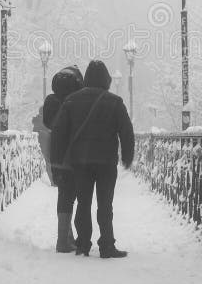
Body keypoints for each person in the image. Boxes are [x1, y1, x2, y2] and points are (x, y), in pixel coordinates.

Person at [50, 59, 134, 258]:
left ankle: (83, 244)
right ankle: (106, 245)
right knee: (105, 204)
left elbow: (59, 132)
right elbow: (126, 131)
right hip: (106, 163)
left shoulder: (71, 101)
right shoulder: (115, 102)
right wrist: (127, 156)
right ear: (106, 79)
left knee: (83, 203)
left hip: (81, 162)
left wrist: (57, 160)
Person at [42, 65, 83, 253]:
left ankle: (66, 237)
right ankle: (64, 240)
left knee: (64, 194)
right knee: (73, 195)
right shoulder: (78, 99)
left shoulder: (51, 100)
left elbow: (46, 123)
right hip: (75, 153)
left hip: (56, 153)